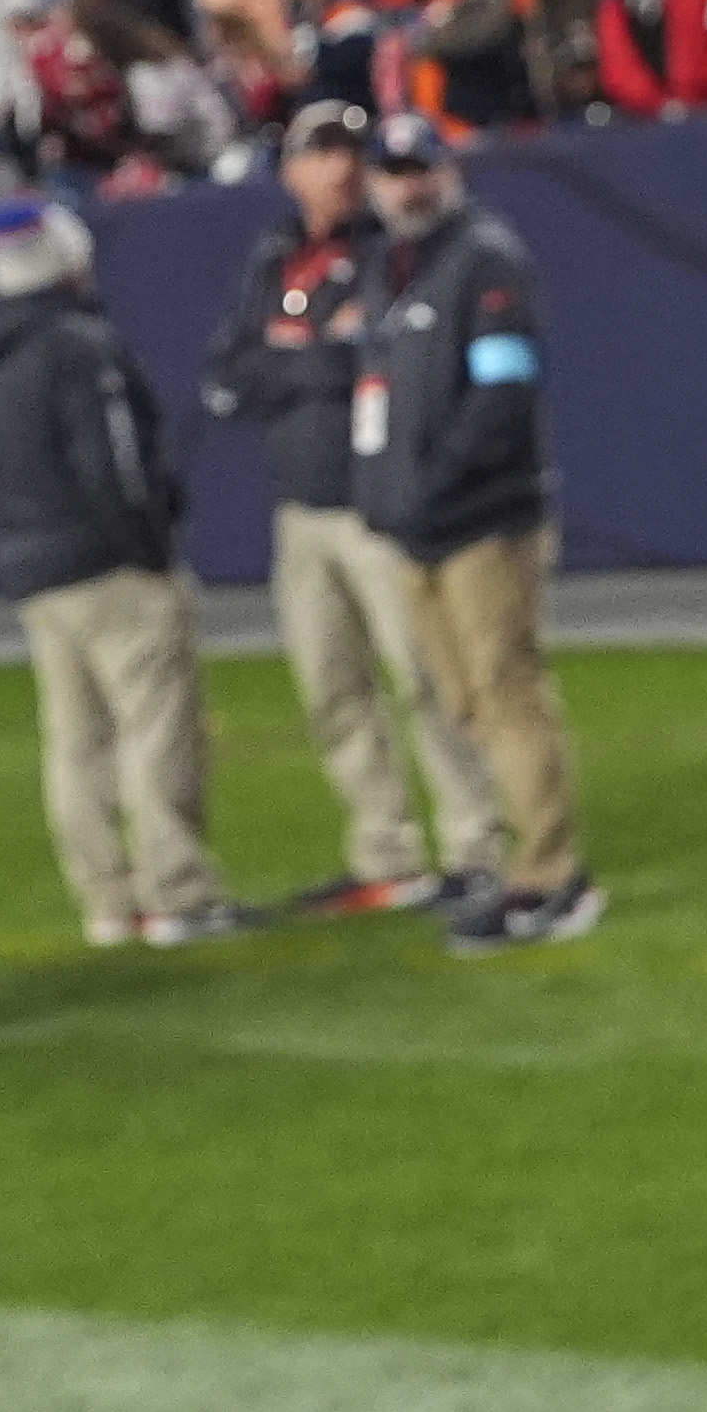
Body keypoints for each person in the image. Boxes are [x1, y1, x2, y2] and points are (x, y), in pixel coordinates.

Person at [202, 98, 505, 919]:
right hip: (300, 512)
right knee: (334, 691)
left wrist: (295, 361)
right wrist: (310, 360)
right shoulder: (273, 257)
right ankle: (387, 851)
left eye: (352, 152)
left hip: (380, 506)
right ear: (291, 170)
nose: (340, 168)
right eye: (321, 152)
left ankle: (477, 846)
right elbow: (227, 376)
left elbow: (382, 361)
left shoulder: (394, 253)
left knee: (428, 679)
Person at [0, 196, 241, 951]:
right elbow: (117, 466)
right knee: (155, 728)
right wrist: (151, 546)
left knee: (77, 742)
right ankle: (178, 893)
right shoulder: (78, 345)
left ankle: (108, 904)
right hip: (108, 564)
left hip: (32, 567)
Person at [347, 116, 597, 951]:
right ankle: (526, 860)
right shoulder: (388, 266)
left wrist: (431, 480)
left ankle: (555, 876)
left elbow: (503, 387)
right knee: (465, 702)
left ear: (447, 172)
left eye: (420, 170)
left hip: (481, 519)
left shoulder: (485, 257)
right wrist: (386, 494)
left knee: (506, 690)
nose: (406, 186)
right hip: (416, 525)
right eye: (392, 172)